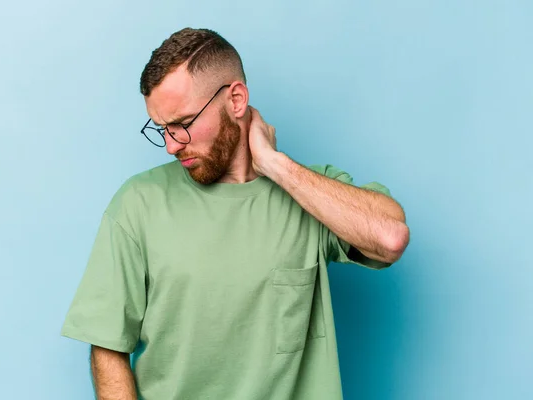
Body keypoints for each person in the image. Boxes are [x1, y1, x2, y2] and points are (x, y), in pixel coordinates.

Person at [61, 27, 410, 400]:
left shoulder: (311, 193)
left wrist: (276, 166)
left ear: (236, 99)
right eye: (161, 128)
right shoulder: (137, 204)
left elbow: (389, 238)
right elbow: (107, 346)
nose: (170, 145)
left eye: (183, 124)